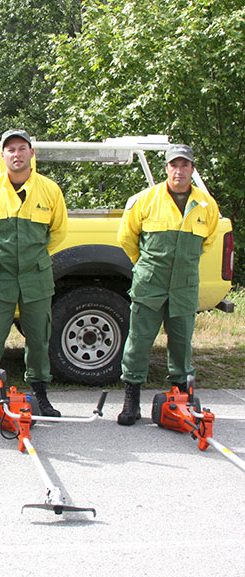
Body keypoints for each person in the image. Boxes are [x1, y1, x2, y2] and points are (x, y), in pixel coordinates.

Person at [0, 129, 67, 422]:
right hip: (0, 276)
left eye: (22, 148)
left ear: (32, 153)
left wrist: (34, 256)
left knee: (38, 338)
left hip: (36, 276)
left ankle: (40, 395)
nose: (17, 154)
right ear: (3, 155)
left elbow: (58, 232)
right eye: (11, 150)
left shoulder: (50, 190)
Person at [116, 144, 219, 426]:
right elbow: (127, 239)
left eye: (184, 165)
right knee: (138, 343)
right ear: (166, 169)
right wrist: (148, 265)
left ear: (192, 169)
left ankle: (180, 399)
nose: (179, 170)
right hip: (150, 285)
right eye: (174, 165)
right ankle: (131, 402)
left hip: (184, 287)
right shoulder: (146, 200)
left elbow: (207, 242)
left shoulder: (206, 205)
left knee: (182, 345)